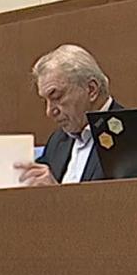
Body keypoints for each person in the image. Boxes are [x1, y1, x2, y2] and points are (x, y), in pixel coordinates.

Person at [15, 44, 123, 186]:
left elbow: (128, 198)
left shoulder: (131, 136)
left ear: (91, 89)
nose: (49, 111)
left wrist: (56, 194)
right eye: (45, 100)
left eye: (56, 97)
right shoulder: (58, 140)